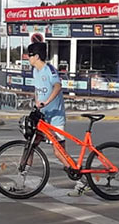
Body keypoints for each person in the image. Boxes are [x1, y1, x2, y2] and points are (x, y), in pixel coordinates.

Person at [27, 42, 86, 197]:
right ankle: (21, 178)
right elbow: (37, 89)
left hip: (56, 118)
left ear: (37, 56)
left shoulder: (49, 70)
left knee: (59, 152)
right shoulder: (35, 71)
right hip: (43, 117)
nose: (28, 58)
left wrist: (46, 102)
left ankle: (82, 179)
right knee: (31, 144)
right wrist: (37, 102)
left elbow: (58, 86)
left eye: (30, 55)